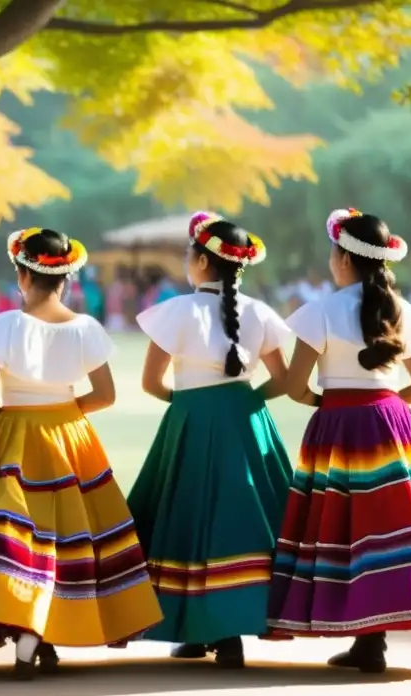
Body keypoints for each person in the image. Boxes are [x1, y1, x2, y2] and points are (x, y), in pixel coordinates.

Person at [0, 227, 163, 680]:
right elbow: (105, 394)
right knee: (69, 534)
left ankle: (25, 628)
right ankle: (45, 631)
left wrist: (13, 415)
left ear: (23, 276)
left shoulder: (3, 325)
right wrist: (65, 412)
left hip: (15, 434)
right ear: (66, 279)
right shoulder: (86, 328)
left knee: (20, 533)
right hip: (70, 436)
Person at [267, 209, 411, 672]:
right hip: (393, 427)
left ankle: (365, 639)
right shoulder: (404, 311)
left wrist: (327, 403)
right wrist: (385, 402)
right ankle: (373, 640)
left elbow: (296, 385)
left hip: (338, 426)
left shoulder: (320, 312)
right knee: (389, 524)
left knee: (343, 527)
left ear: (342, 258)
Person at [126, 212, 294, 668]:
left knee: (189, 518)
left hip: (192, 421)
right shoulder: (259, 311)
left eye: (188, 254)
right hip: (246, 422)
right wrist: (247, 401)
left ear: (201, 262)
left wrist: (186, 405)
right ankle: (233, 625)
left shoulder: (176, 312)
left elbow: (150, 381)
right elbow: (283, 379)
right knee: (243, 517)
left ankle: (200, 629)